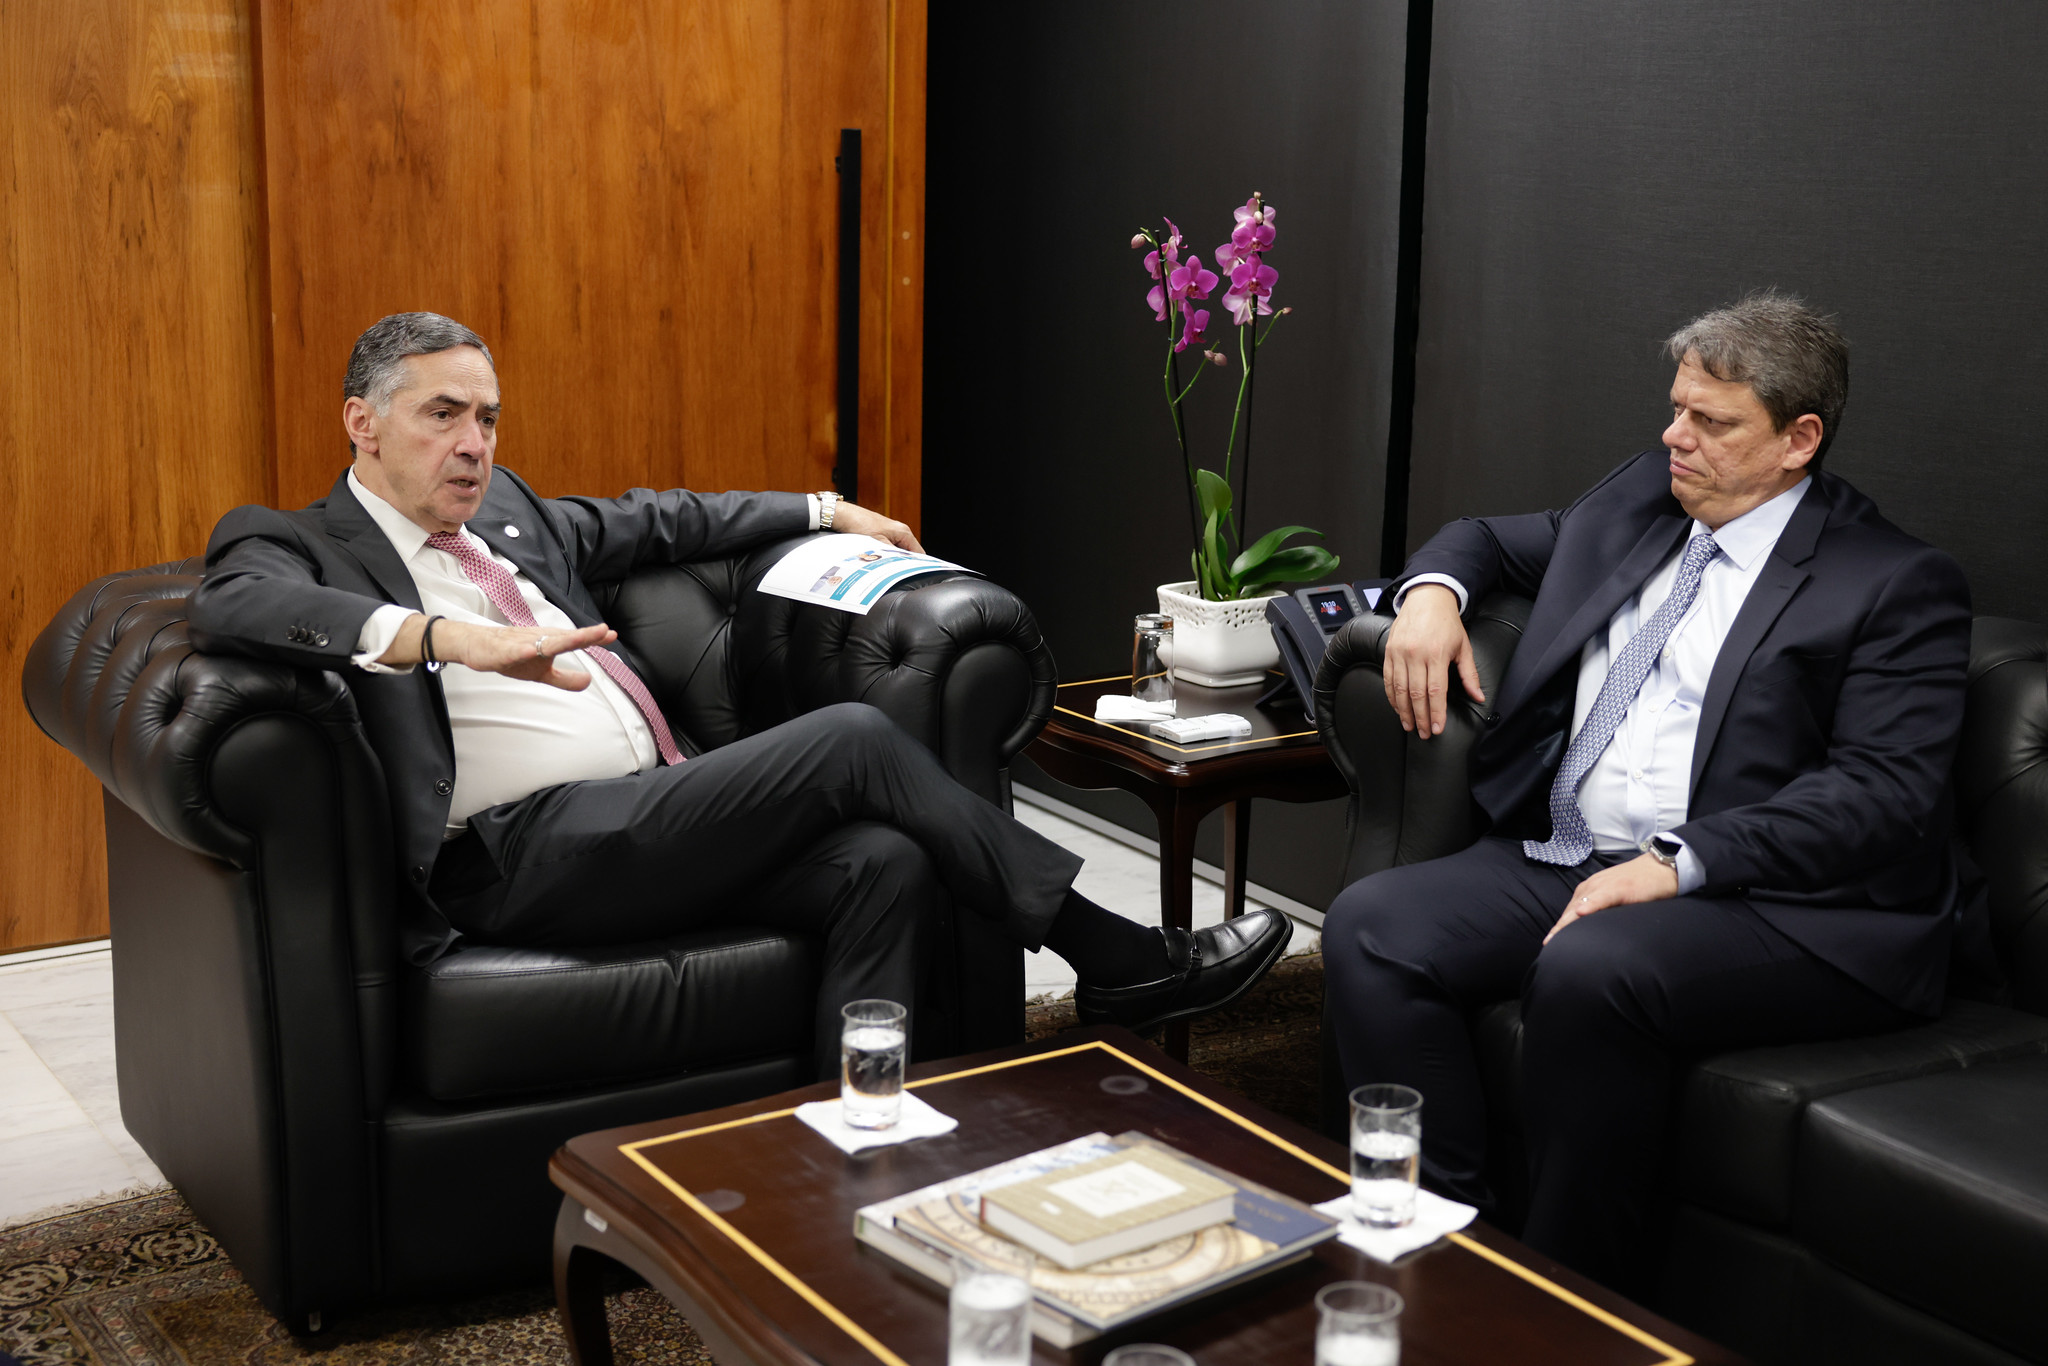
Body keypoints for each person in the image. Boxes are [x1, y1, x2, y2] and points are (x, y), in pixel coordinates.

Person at [186, 311, 1292, 1071]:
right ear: (362, 422)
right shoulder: (298, 542)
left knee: (884, 860)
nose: (473, 445)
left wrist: (825, 509)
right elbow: (233, 606)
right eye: (443, 415)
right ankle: (1115, 956)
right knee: (853, 737)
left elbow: (662, 519)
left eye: (487, 418)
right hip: (509, 854)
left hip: (644, 807)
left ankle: (856, 1142)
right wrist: (441, 638)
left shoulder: (507, 517)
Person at [1322, 292, 1972, 1295]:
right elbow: (1481, 539)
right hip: (1575, 854)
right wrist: (1429, 597)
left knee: (1590, 968)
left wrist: (1678, 863)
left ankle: (1566, 1297)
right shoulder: (1642, 498)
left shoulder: (1890, 581)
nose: (1676, 437)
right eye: (1675, 409)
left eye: (1712, 422)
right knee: (1371, 925)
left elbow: (1882, 795)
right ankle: (1442, 1234)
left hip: (1772, 900)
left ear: (1798, 440)